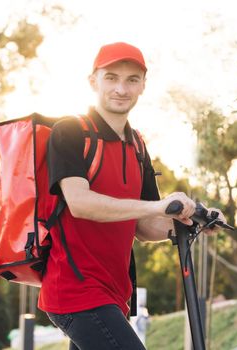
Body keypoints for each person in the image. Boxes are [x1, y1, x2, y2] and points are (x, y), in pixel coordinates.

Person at [38, 42, 226, 350]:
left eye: (132, 80)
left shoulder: (137, 146)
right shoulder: (70, 131)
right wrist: (158, 206)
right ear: (93, 81)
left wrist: (192, 223)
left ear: (143, 86)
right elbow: (80, 203)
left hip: (114, 295)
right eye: (111, 77)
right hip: (75, 292)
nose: (121, 88)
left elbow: (143, 226)